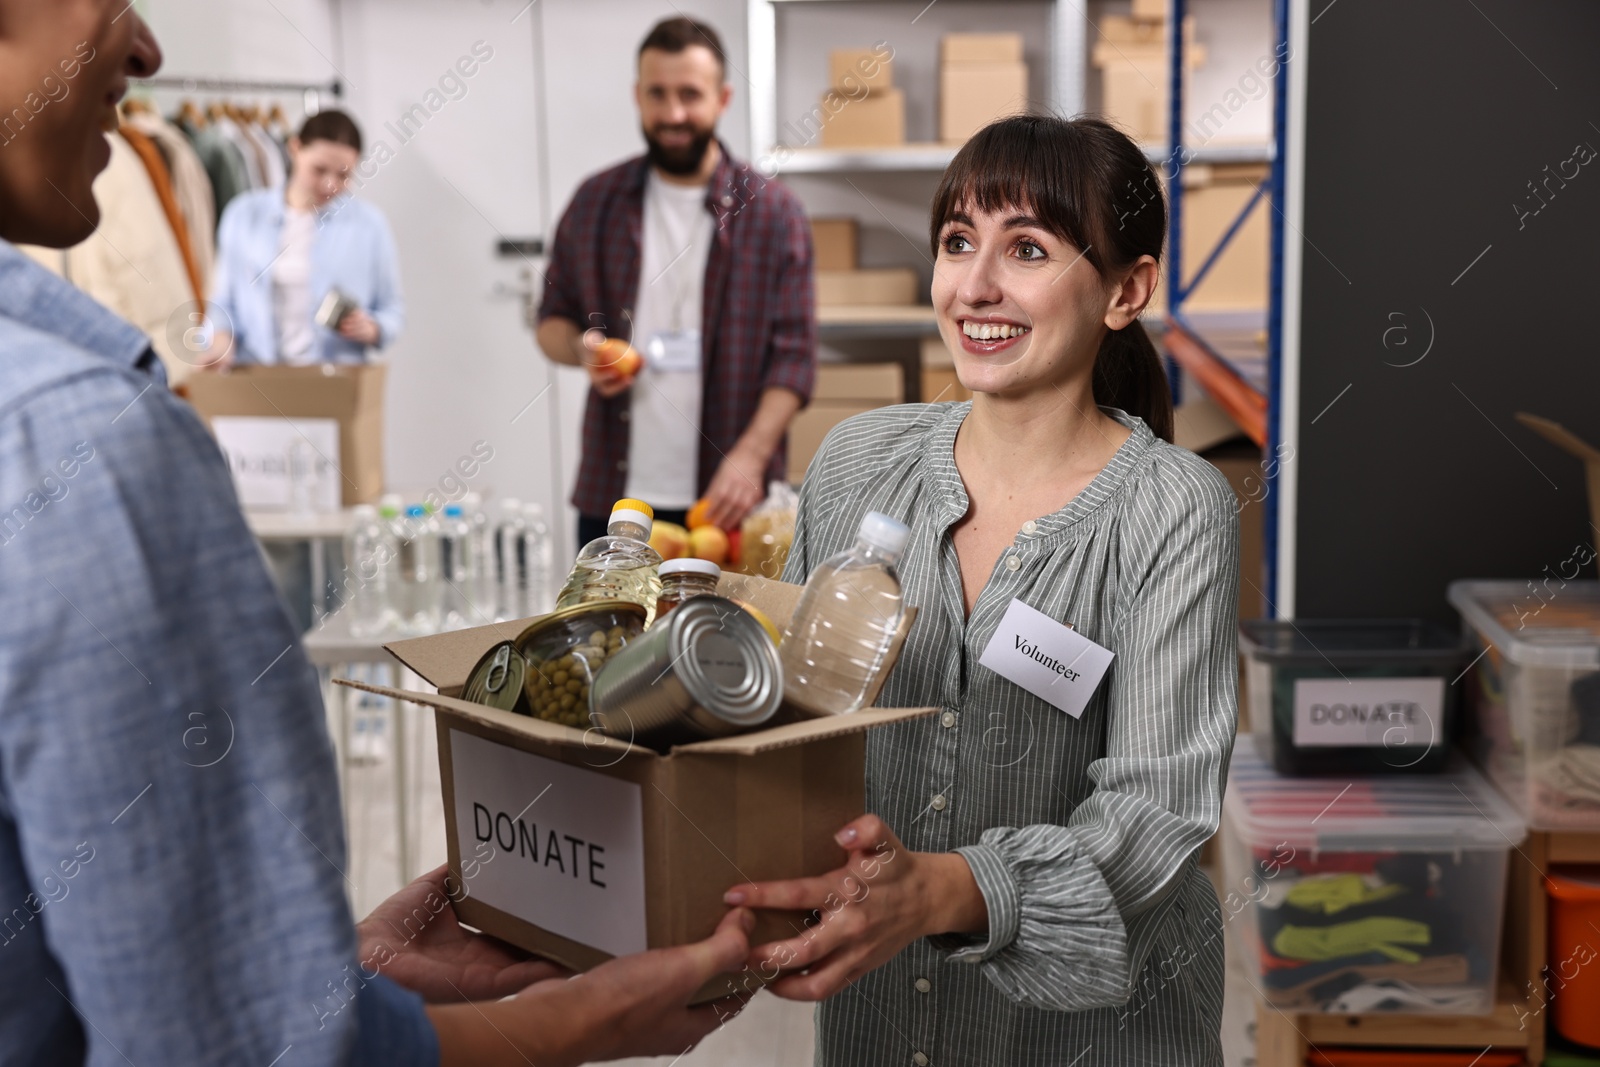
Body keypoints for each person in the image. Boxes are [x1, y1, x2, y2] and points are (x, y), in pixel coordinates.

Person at [0, 3, 751, 1064]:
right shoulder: (76, 442)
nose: (147, 48)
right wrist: (571, 1021)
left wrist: (323, 976)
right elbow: (228, 1045)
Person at [725, 115, 1241, 1065]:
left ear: (1126, 289)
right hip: (884, 1014)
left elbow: (1157, 811)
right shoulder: (854, 463)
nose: (975, 286)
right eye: (958, 242)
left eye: (1028, 249)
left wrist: (942, 892)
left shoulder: (1174, 508)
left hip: (1098, 1034)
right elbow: (791, 731)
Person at [536, 15, 816, 544]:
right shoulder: (595, 201)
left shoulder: (774, 213)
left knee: (726, 629)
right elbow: (551, 320)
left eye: (690, 93)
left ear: (723, 98)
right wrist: (584, 349)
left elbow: (795, 357)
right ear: (637, 96)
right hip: (613, 494)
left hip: (728, 494)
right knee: (611, 628)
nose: (674, 113)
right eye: (657, 94)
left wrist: (751, 458)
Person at [206, 109, 403, 368]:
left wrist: (373, 328)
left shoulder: (369, 226)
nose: (330, 184)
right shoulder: (243, 215)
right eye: (319, 170)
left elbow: (393, 310)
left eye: (343, 175)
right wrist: (220, 343)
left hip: (336, 383)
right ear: (295, 149)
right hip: (256, 378)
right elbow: (222, 303)